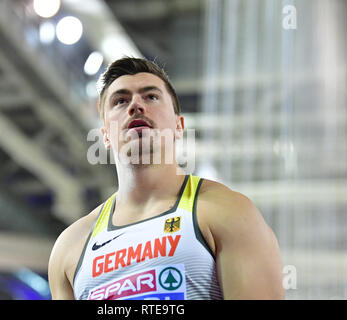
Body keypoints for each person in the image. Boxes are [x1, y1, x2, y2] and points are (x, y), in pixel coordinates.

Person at [48, 57, 285, 300]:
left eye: (150, 96)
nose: (136, 106)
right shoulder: (70, 246)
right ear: (106, 135)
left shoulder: (228, 211)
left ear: (179, 126)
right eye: (121, 100)